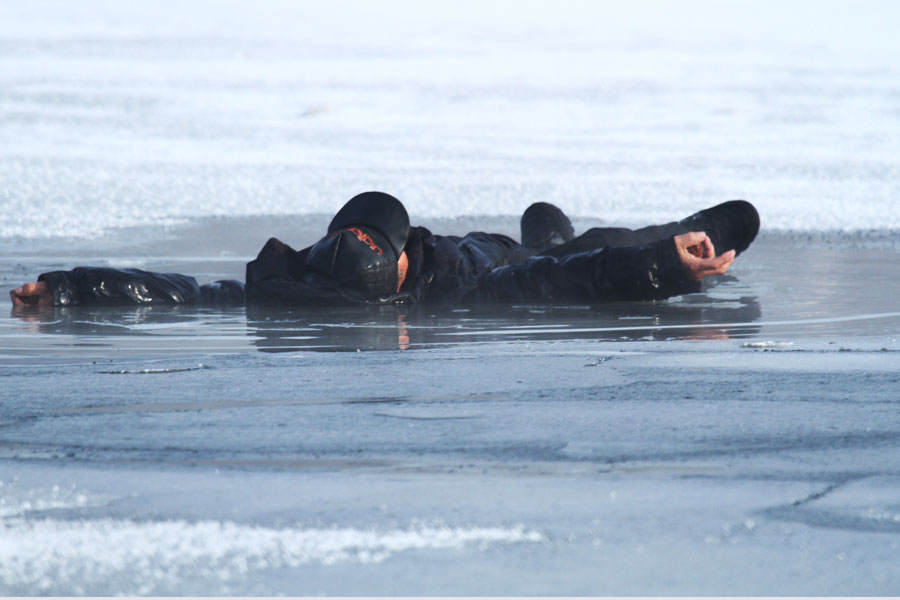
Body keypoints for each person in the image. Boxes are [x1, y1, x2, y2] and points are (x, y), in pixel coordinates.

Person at [9, 192, 759, 309]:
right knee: (568, 245)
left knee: (582, 246)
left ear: (406, 260)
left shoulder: (459, 288)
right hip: (506, 257)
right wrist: (70, 286)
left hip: (501, 256)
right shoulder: (301, 281)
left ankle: (682, 232)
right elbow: (180, 291)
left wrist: (665, 263)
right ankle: (554, 231)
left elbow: (574, 282)